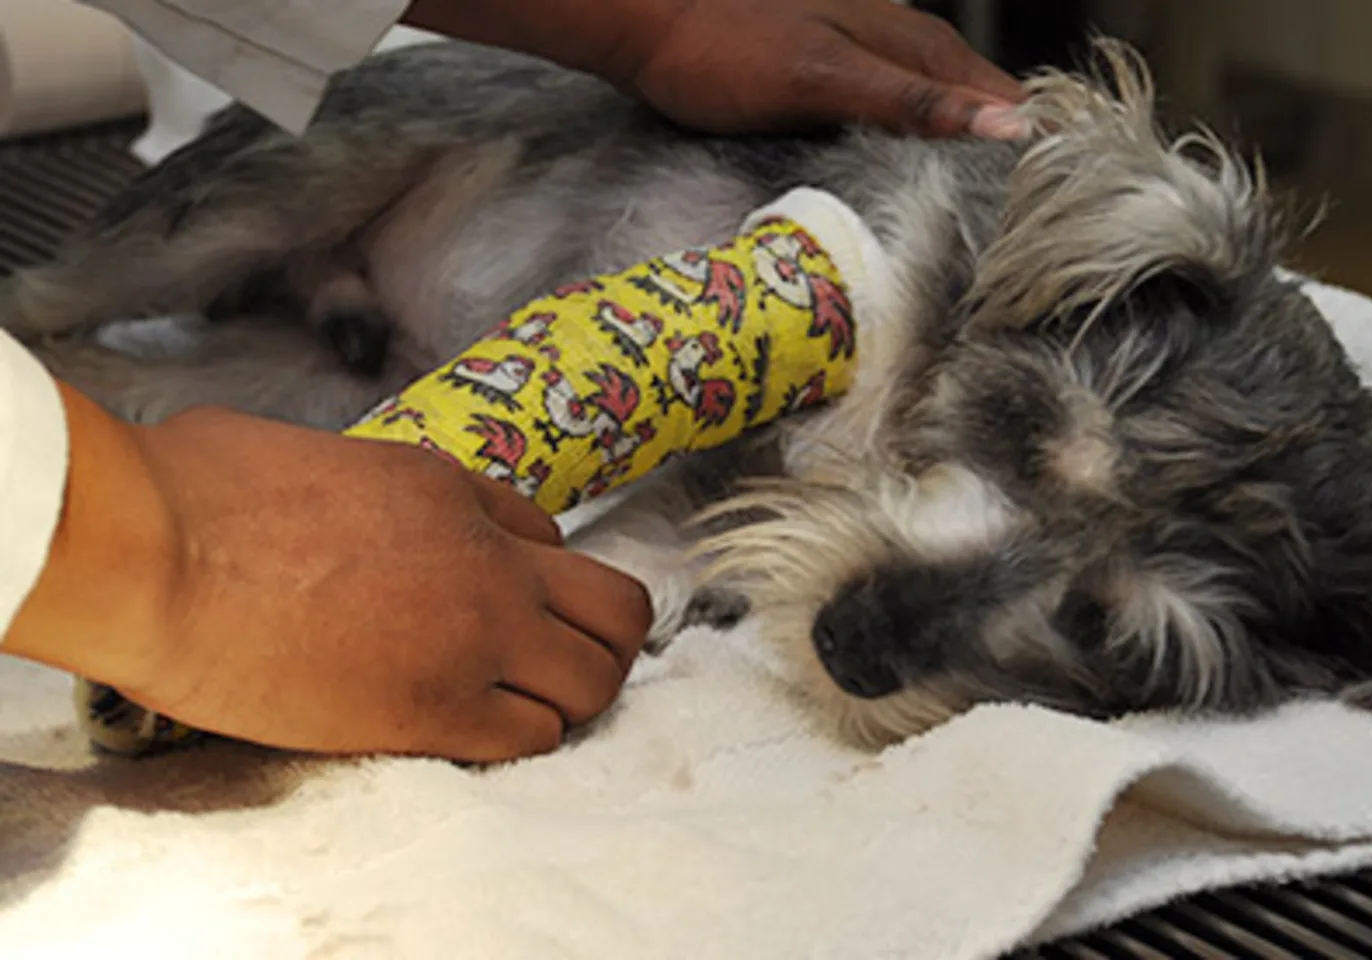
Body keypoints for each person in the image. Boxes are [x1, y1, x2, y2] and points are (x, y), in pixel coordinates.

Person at [0, 0, 1025, 763]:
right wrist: (172, 562)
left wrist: (648, 25)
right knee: (85, 299)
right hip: (437, 166)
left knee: (177, 390)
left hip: (383, 376)